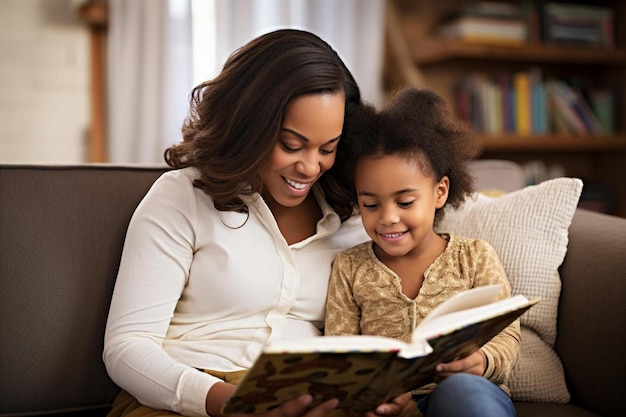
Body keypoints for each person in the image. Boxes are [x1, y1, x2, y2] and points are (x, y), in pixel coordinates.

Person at [103, 29, 414, 417]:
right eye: (291, 144)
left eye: (328, 148)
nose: (310, 166)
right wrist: (232, 403)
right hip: (191, 397)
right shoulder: (183, 196)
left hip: (308, 397)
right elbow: (126, 347)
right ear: (251, 125)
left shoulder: (354, 217)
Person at [324, 87, 520, 417]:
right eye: (370, 204)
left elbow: (506, 335)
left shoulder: (473, 257)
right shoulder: (349, 266)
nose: (387, 217)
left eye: (405, 202)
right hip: (387, 404)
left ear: (440, 192)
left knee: (461, 393)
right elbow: (339, 353)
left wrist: (482, 362)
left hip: (465, 395)